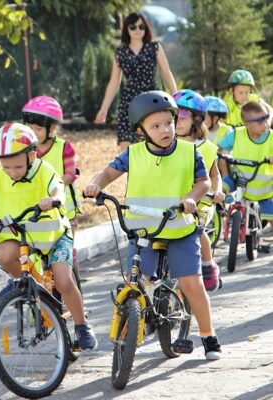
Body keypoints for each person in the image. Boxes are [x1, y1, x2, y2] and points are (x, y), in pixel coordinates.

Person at [84, 90, 222, 360]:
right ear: (140, 131)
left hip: (180, 229)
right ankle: (131, 329)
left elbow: (204, 182)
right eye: (155, 126)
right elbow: (110, 172)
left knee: (191, 283)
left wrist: (191, 199)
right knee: (137, 280)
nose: (165, 130)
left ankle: (208, 335)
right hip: (144, 231)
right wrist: (96, 185)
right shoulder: (132, 154)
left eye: (169, 123)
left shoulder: (189, 151)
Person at [0, 122, 98, 351]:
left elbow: (57, 188)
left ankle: (82, 326)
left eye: (17, 167)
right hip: (21, 237)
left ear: (32, 155)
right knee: (4, 254)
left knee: (63, 280)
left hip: (55, 235)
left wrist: (53, 199)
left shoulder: (44, 170)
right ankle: (30, 288)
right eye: (6, 166)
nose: (11, 172)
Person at [95, 12, 177, 151]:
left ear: (146, 28)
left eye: (141, 26)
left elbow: (166, 73)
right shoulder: (120, 52)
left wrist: (176, 97)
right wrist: (104, 109)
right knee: (126, 144)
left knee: (153, 142)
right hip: (129, 102)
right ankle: (131, 172)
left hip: (152, 100)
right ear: (127, 29)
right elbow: (114, 82)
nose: (137, 30)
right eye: (133, 27)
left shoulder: (154, 47)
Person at [174, 89, 224, 292]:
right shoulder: (166, 144)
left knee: (196, 229)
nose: (177, 121)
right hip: (175, 197)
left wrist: (218, 191)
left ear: (196, 120)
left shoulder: (206, 147)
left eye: (183, 116)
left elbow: (215, 175)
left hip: (201, 200)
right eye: (173, 115)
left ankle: (208, 264)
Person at [21, 95, 82, 230]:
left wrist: (53, 189)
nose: (34, 133)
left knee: (66, 245)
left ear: (52, 128)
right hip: (37, 208)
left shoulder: (64, 147)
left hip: (64, 208)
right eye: (30, 128)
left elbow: (71, 174)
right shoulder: (26, 150)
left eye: (38, 129)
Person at [218, 101, 273, 228]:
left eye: (266, 119)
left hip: (263, 188)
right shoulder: (237, 134)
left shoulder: (271, 137)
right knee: (219, 189)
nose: (265, 124)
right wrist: (221, 154)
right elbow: (220, 148)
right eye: (260, 121)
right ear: (246, 124)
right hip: (238, 179)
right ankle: (215, 214)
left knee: (271, 216)